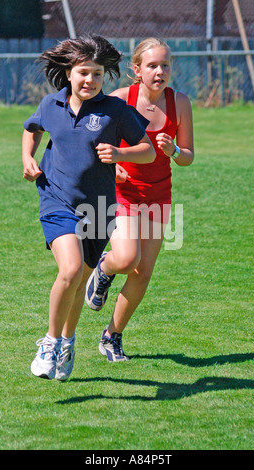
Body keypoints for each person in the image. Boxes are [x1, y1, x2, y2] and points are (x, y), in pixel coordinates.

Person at [22, 35, 155, 380]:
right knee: (70, 268)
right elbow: (32, 129)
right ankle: (50, 343)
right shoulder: (51, 104)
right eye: (83, 72)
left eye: (97, 73)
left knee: (80, 279)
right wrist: (27, 157)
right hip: (56, 199)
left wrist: (121, 154)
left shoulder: (115, 110)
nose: (90, 80)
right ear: (69, 73)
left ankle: (67, 342)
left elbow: (148, 149)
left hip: (98, 209)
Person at [85, 38, 194, 361]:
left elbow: (188, 156)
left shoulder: (180, 103)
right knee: (128, 258)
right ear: (137, 70)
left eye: (165, 65)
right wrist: (115, 164)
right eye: (152, 65)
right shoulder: (121, 100)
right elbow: (92, 140)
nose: (160, 71)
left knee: (142, 272)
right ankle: (104, 267)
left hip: (159, 195)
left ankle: (111, 336)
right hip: (123, 192)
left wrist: (174, 150)